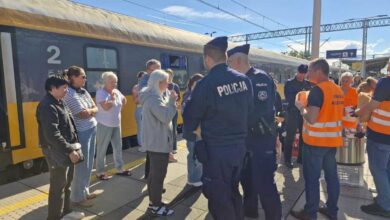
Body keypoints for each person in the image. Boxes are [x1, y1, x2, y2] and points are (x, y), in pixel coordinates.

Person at [183, 36, 253, 220]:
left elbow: (190, 118)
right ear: (224, 56)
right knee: (233, 191)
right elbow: (250, 112)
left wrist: (197, 133)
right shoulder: (244, 80)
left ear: (207, 59)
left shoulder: (206, 84)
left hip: (216, 152)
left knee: (218, 199)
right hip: (239, 149)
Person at [227, 44, 282, 219]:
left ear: (237, 60)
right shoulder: (239, 79)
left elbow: (260, 110)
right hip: (245, 140)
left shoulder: (259, 78)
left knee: (265, 184)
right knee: (248, 181)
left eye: (229, 62)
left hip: (261, 140)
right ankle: (250, 213)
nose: (227, 66)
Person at [291, 58, 344, 220]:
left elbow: (312, 118)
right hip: (332, 142)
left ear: (319, 72)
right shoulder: (337, 89)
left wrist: (301, 108)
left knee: (312, 179)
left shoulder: (317, 90)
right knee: (332, 177)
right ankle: (332, 210)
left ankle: (310, 213)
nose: (308, 74)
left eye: (310, 71)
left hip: (315, 143)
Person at [36, 75, 85, 220]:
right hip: (56, 151)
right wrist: (69, 150)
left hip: (66, 148)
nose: (67, 91)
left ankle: (67, 212)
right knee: (58, 186)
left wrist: (74, 146)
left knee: (67, 183)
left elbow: (69, 125)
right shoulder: (47, 106)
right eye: (64, 88)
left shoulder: (59, 102)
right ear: (53, 88)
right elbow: (52, 134)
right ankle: (54, 217)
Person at [139, 69, 177, 216]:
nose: (168, 84)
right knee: (158, 176)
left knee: (154, 175)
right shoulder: (154, 99)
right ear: (158, 83)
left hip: (156, 141)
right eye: (166, 81)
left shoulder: (154, 96)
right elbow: (166, 116)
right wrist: (172, 101)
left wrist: (169, 99)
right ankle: (155, 205)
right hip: (158, 143)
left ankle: (154, 201)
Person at [63, 66, 98, 208]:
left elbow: (95, 107)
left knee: (89, 164)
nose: (85, 79)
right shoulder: (69, 94)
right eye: (82, 76)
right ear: (73, 78)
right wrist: (91, 111)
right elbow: (81, 114)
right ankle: (77, 198)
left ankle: (85, 191)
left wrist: (90, 110)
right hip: (81, 132)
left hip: (91, 128)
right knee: (82, 166)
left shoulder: (83, 91)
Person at [359, 65, 390, 218]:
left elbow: (371, 106)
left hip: (380, 135)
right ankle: (386, 199)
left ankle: (384, 205)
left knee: (378, 169)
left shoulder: (386, 83)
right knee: (386, 170)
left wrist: (356, 112)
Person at [95, 71, 131, 180]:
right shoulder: (101, 92)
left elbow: (124, 100)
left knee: (118, 147)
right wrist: (112, 99)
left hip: (116, 124)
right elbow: (106, 107)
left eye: (116, 82)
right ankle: (100, 172)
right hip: (104, 124)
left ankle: (120, 168)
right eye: (112, 82)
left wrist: (118, 108)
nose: (114, 84)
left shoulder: (116, 91)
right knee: (102, 149)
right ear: (105, 82)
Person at [283, 64, 312, 168]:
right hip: (293, 113)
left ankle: (301, 158)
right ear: (297, 71)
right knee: (290, 137)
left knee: (303, 137)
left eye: (304, 73)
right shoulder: (290, 83)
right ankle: (287, 159)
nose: (302, 75)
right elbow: (290, 99)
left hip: (303, 114)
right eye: (300, 73)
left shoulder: (308, 84)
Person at [139, 59, 161, 179]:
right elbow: (143, 97)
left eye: (159, 69)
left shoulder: (159, 79)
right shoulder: (145, 80)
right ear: (148, 70)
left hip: (158, 117)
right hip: (151, 119)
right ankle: (151, 177)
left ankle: (150, 175)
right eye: (154, 70)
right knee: (153, 149)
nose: (157, 72)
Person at [182, 73, 204, 187]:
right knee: (193, 155)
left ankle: (198, 176)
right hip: (193, 132)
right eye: (197, 84)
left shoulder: (197, 96)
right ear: (191, 84)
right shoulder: (188, 97)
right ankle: (193, 178)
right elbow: (188, 116)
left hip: (198, 132)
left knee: (197, 155)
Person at [165, 68, 180, 163]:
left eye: (170, 75)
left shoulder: (175, 86)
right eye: (167, 75)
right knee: (166, 130)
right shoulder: (163, 85)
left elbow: (178, 98)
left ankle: (173, 147)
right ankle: (166, 148)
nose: (169, 77)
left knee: (173, 128)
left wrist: (175, 97)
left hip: (173, 109)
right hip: (165, 110)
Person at [339, 72, 358, 137]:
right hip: (338, 123)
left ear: (351, 81)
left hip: (351, 124)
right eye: (343, 81)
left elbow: (358, 107)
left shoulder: (355, 92)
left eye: (347, 81)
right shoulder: (336, 90)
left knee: (349, 144)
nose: (344, 83)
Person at [132, 71, 146, 151]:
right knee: (141, 128)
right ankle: (142, 146)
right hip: (140, 109)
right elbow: (135, 101)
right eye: (143, 77)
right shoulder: (136, 87)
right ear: (139, 78)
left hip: (147, 109)